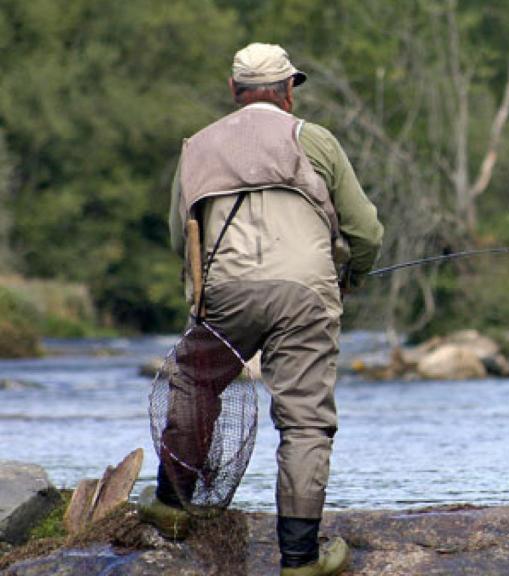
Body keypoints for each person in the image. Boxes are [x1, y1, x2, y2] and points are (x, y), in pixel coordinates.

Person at [139, 42, 384, 576]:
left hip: (225, 290)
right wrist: (352, 275)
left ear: (234, 91)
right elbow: (366, 230)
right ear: (288, 90)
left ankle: (172, 507)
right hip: (306, 294)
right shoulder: (314, 140)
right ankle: (299, 559)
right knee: (303, 421)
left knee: (194, 383)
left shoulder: (198, 147)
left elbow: (181, 234)